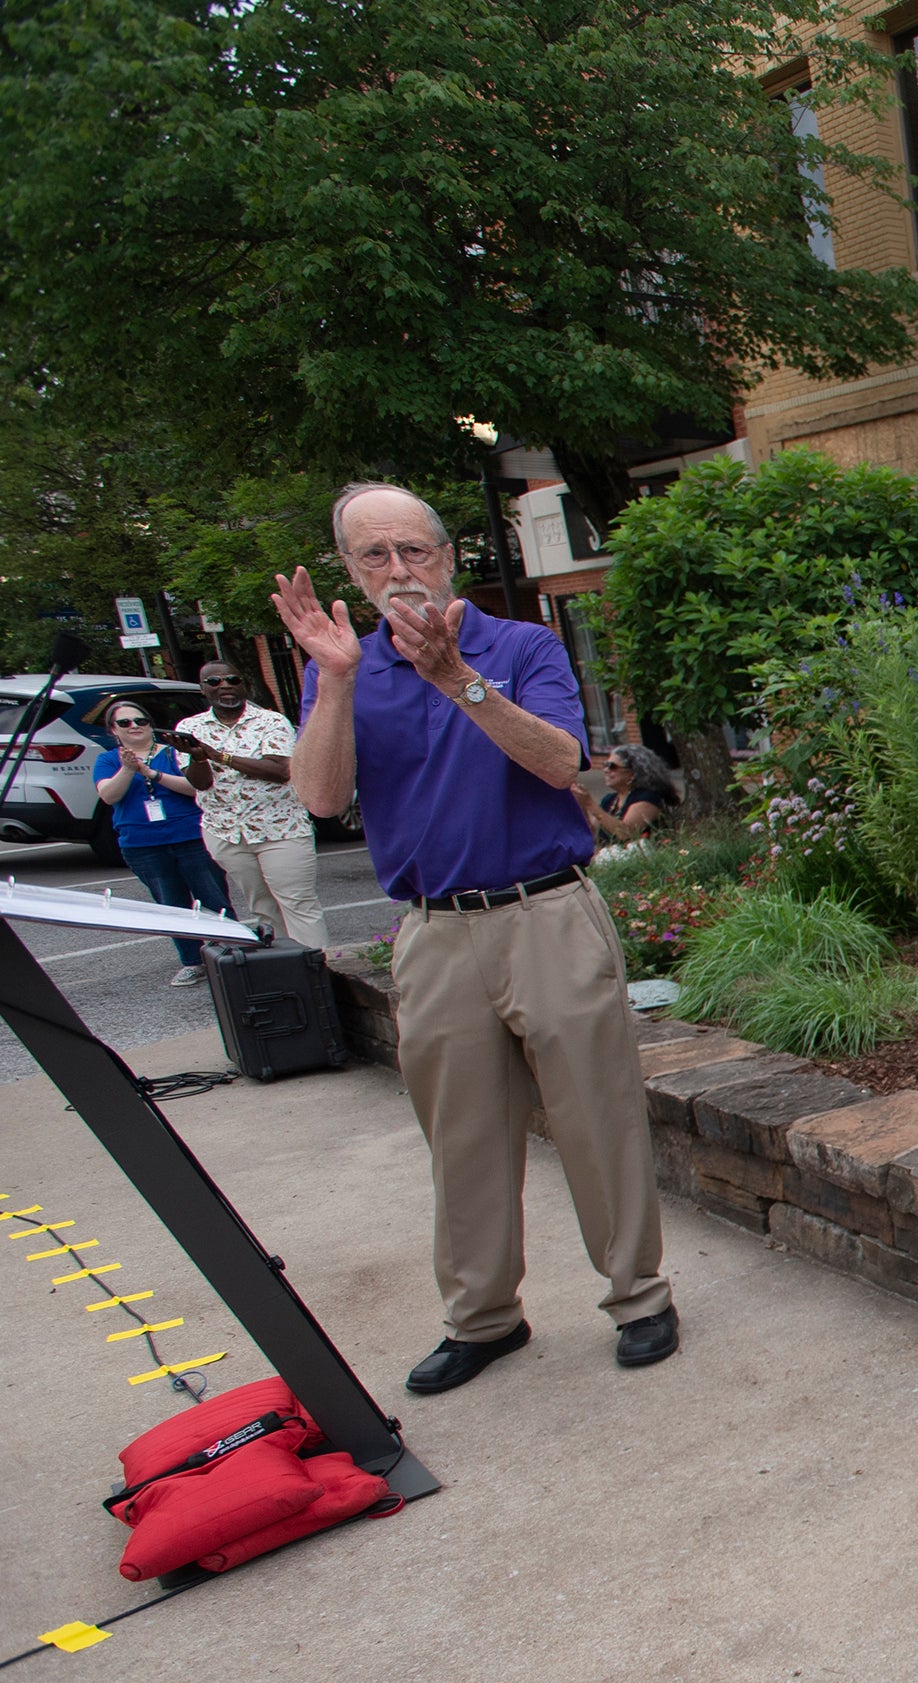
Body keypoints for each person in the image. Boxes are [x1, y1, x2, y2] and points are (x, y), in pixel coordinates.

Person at [271, 483, 681, 1395]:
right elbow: (322, 797)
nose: (398, 570)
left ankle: (639, 1296)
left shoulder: (522, 646)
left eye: (413, 549)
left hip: (547, 912)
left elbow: (560, 762)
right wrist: (334, 680)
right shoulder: (341, 669)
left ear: (448, 556)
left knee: (598, 1116)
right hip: (433, 930)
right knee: (460, 1136)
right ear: (350, 570)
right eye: (374, 555)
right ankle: (483, 1318)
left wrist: (458, 678)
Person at [177, 658, 328, 950]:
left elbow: (280, 771)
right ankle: (284, 966)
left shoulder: (271, 722)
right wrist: (198, 757)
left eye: (233, 680)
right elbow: (201, 783)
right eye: (215, 682)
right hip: (226, 831)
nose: (225, 686)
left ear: (243, 684)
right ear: (202, 689)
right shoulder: (190, 727)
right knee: (261, 906)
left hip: (280, 828)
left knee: (298, 903)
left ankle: (317, 967)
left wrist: (220, 756)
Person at [92, 699, 233, 986]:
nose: (134, 726)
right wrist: (128, 769)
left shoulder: (173, 753)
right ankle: (193, 962)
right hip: (142, 844)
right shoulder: (107, 760)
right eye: (124, 723)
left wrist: (151, 774)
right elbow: (108, 796)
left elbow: (196, 788)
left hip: (190, 837)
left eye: (140, 720)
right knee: (171, 905)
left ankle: (232, 951)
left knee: (213, 897)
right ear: (113, 730)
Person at [581, 743, 679, 849]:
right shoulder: (609, 800)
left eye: (612, 766)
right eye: (605, 765)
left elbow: (626, 833)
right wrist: (582, 805)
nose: (606, 770)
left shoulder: (648, 798)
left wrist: (590, 804)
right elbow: (594, 834)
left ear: (632, 773)